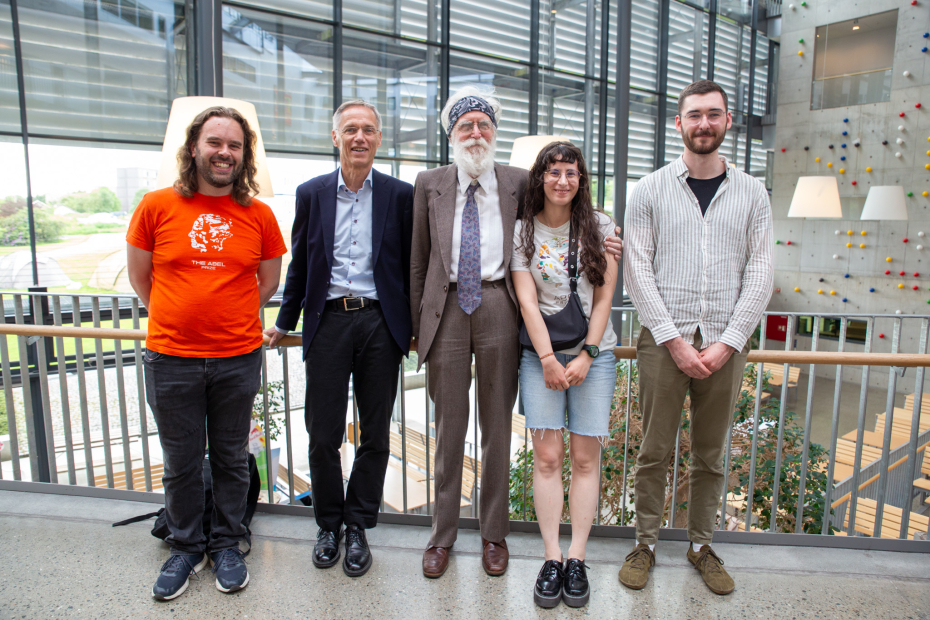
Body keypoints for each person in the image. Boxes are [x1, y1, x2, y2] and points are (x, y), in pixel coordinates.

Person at [614, 79, 773, 595]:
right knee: (654, 451)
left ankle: (702, 546)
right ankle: (645, 543)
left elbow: (762, 272)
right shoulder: (649, 190)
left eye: (714, 114)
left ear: (728, 122)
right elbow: (637, 272)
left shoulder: (753, 192)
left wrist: (728, 341)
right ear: (677, 124)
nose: (704, 123)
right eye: (694, 115)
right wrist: (674, 340)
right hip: (664, 342)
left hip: (727, 341)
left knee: (712, 453)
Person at [127, 105, 287, 600]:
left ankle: (227, 544)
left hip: (237, 359)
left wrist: (227, 317)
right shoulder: (155, 206)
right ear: (193, 147)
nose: (224, 152)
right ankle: (185, 545)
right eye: (215, 142)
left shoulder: (259, 214)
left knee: (232, 458)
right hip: (170, 358)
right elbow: (140, 276)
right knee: (179, 461)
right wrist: (179, 317)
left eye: (235, 145)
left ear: (244, 155)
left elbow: (268, 281)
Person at [264, 100, 413, 578]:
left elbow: (411, 266)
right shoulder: (311, 194)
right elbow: (302, 265)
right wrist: (284, 322)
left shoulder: (399, 194)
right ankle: (328, 524)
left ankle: (358, 526)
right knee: (322, 433)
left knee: (375, 433)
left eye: (369, 130)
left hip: (379, 325)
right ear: (336, 137)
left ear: (378, 139)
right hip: (327, 322)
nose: (360, 138)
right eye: (351, 129)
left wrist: (410, 328)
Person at [410, 86, 527, 579]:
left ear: (494, 133)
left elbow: (561, 221)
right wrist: (419, 327)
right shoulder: (429, 182)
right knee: (449, 427)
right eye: (466, 126)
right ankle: (442, 535)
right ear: (451, 135)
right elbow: (418, 261)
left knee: (498, 428)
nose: (475, 133)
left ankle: (494, 534)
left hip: (501, 301)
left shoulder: (520, 181)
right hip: (448, 308)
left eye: (483, 125)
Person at [512, 141, 618, 608]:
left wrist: (587, 355)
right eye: (553, 171)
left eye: (571, 173)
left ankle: (577, 558)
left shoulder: (602, 227)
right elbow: (526, 300)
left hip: (595, 356)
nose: (562, 180)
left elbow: (604, 297)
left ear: (582, 180)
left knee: (585, 458)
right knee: (548, 457)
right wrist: (550, 358)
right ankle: (551, 557)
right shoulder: (522, 231)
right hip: (541, 357)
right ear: (540, 176)